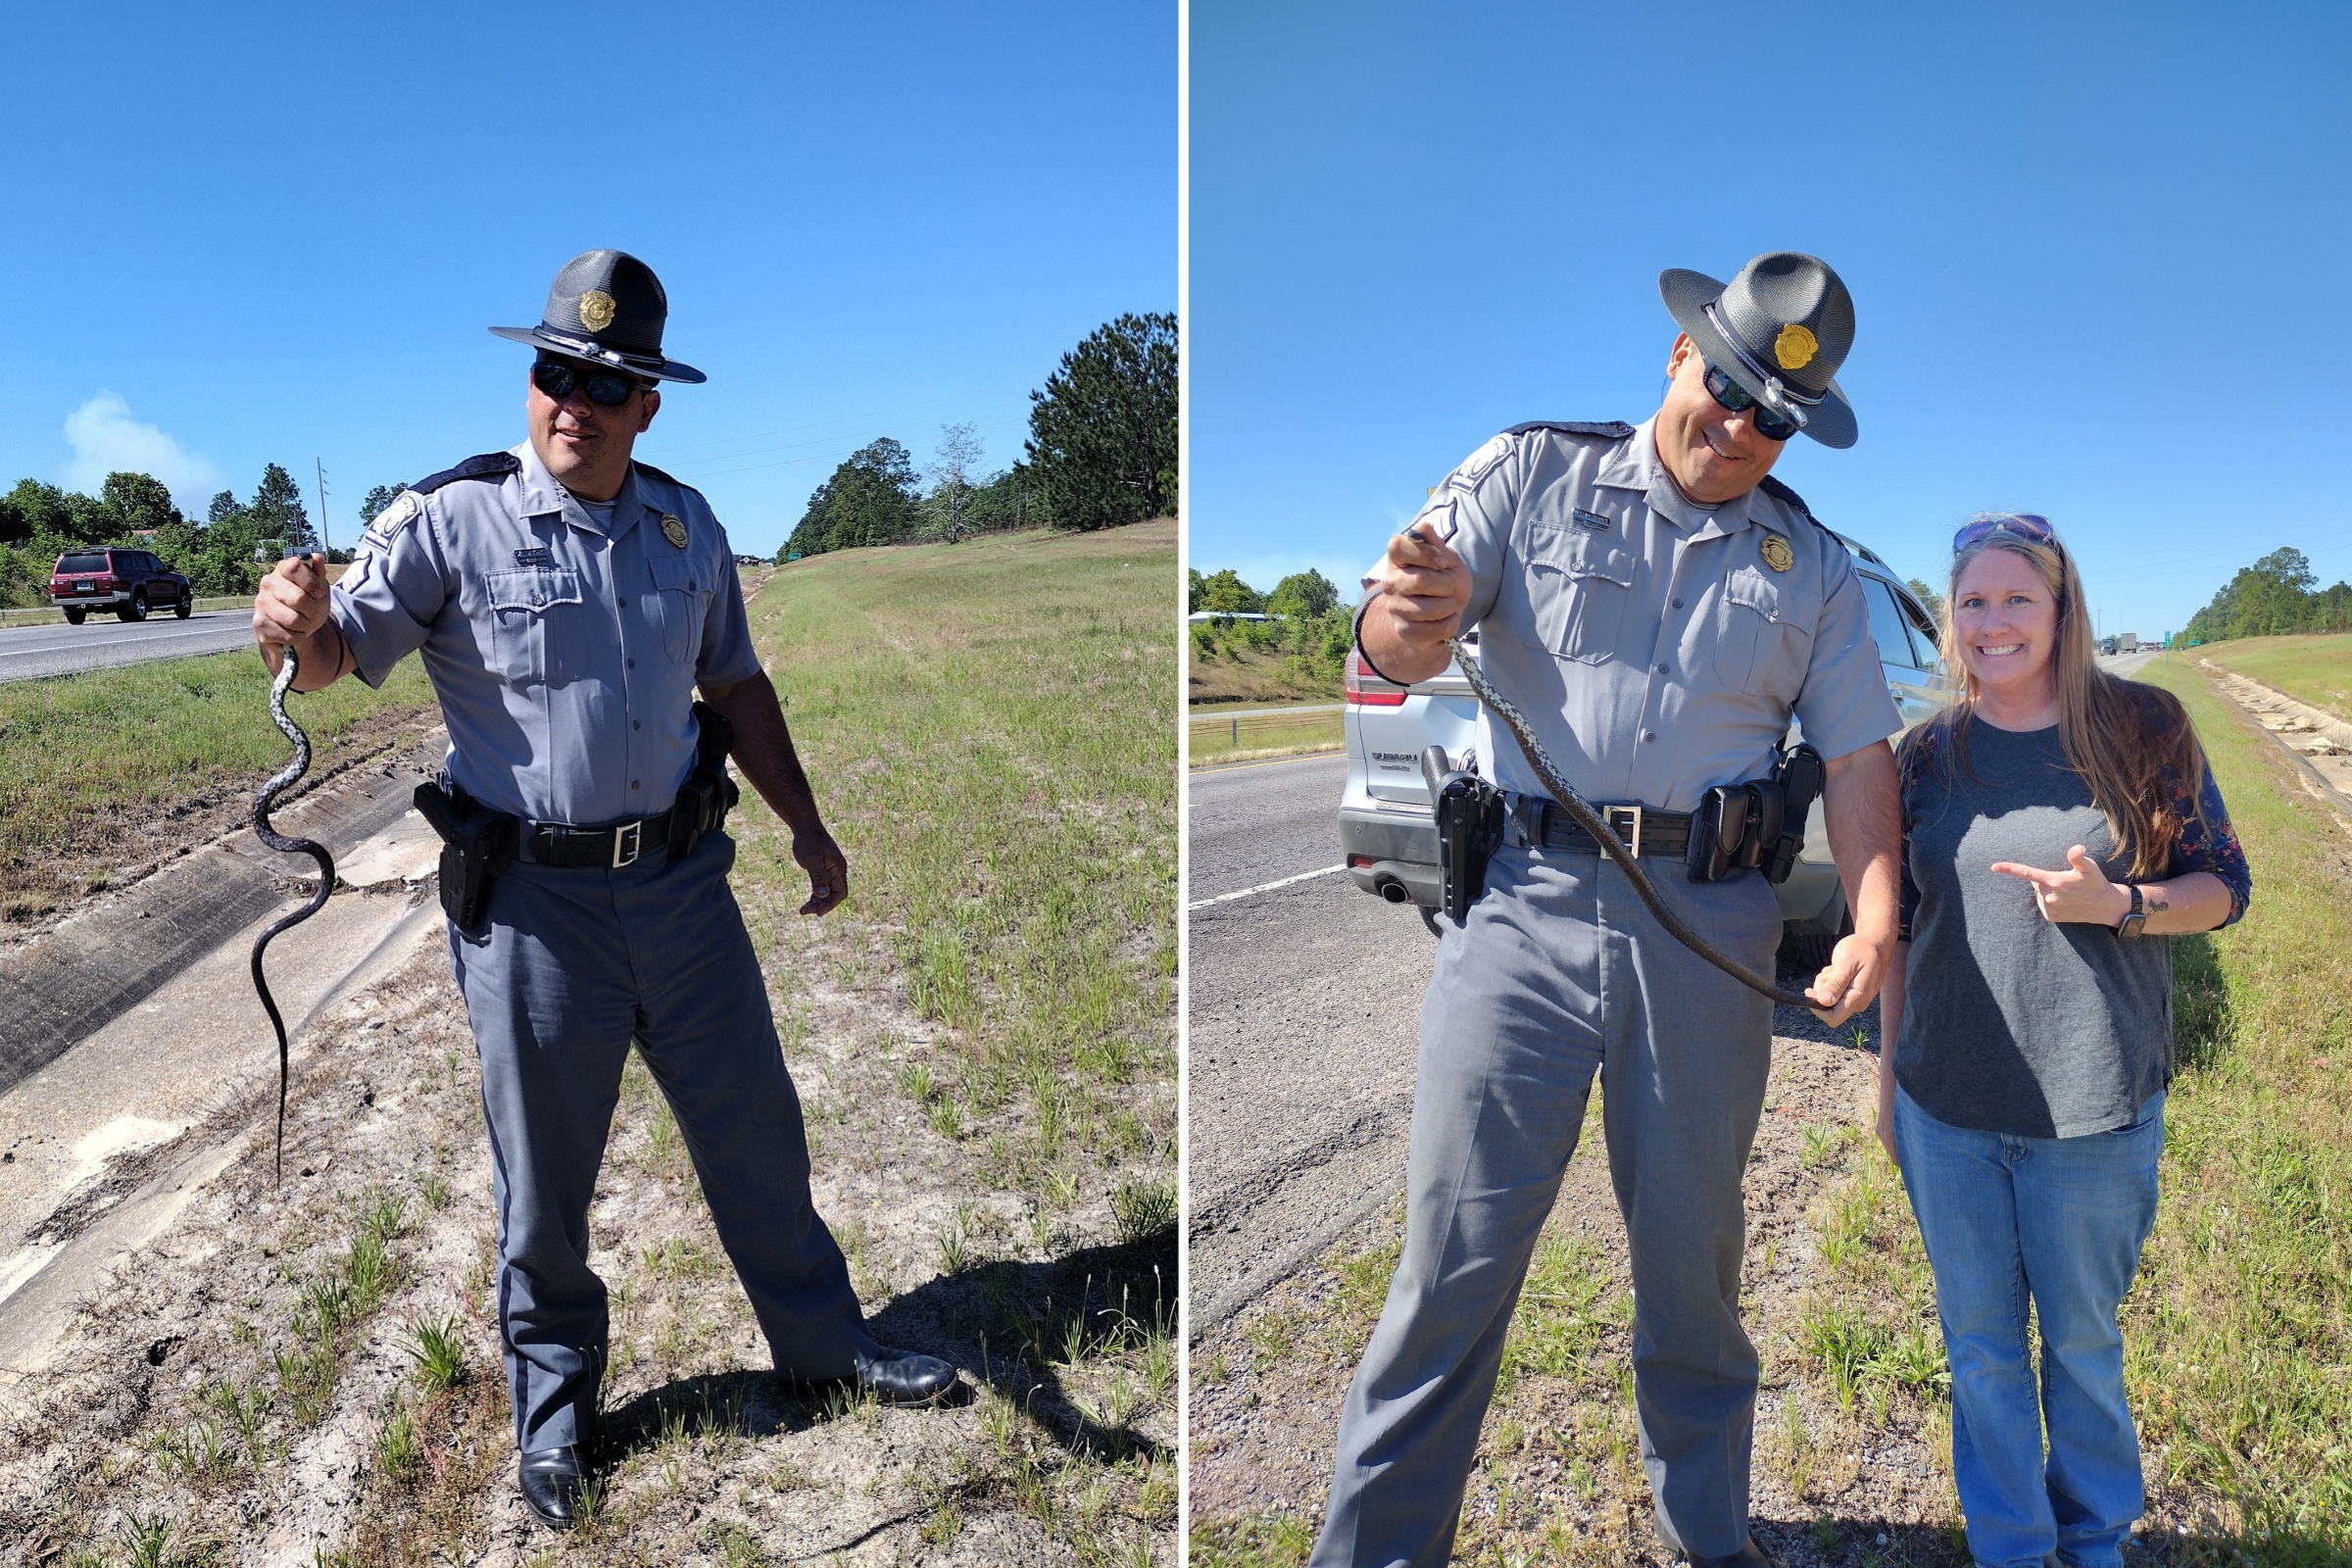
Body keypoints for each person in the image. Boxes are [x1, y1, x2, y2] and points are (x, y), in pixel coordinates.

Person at [248, 249, 955, 1532]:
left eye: (603, 381)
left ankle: (825, 1346)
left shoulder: (687, 525)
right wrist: (294, 619)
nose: (572, 398)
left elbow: (735, 687)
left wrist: (810, 829)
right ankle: (558, 1409)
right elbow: (346, 651)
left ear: (647, 406)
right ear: (533, 379)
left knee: (755, 1129)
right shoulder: (448, 518)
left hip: (684, 888)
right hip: (533, 910)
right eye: (554, 371)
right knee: (550, 1175)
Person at [1315, 253, 1907, 1568]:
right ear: (1679, 356)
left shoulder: (1809, 565)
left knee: (1694, 1274)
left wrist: (1875, 919)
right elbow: (1401, 630)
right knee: (1452, 1267)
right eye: (1731, 389)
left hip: (1705, 932)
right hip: (1520, 908)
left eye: (1778, 419)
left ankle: (1708, 1539)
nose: (1744, 430)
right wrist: (1402, 621)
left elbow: (1863, 763)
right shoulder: (1532, 471)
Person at [1876, 514, 2249, 1567]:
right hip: (1946, 1108)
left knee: (2082, 1348)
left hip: (2094, 1110)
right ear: (1952, 619)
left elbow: (2227, 887)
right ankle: (2008, 1544)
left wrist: (2124, 904)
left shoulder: (2145, 727)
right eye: (1973, 603)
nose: (1993, 624)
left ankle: (2094, 1543)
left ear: (2061, 607)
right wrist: (1885, 1080)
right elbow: (1899, 927)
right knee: (1981, 1353)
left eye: (2017, 600)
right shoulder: (1927, 756)